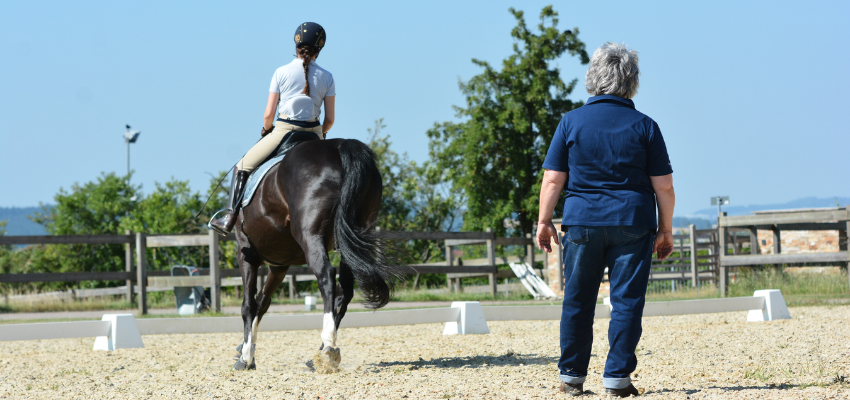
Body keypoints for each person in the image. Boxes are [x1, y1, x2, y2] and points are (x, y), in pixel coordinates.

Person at [536, 42, 675, 398]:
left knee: (578, 299)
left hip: (582, 223)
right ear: (632, 81)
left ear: (592, 78)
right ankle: (616, 379)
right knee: (627, 301)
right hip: (632, 220)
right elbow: (664, 187)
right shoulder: (646, 126)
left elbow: (553, 179)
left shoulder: (570, 122)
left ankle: (571, 377)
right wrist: (665, 229)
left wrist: (544, 220)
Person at [210, 22, 336, 235]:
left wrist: (266, 129)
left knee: (241, 167)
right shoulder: (327, 76)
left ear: (296, 45)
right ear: (319, 49)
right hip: (314, 133)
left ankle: (229, 218)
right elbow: (330, 119)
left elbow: (268, 115)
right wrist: (321, 135)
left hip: (283, 131)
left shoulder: (280, 72)